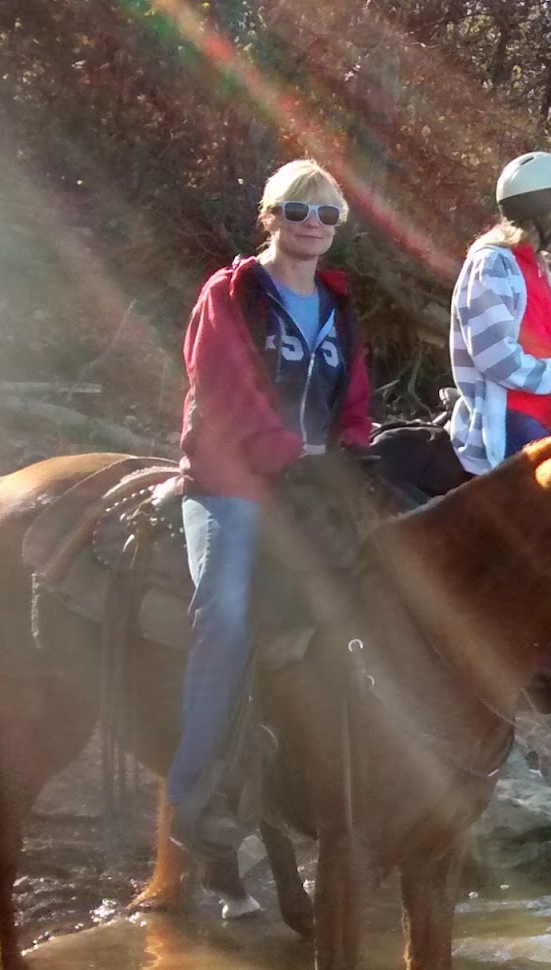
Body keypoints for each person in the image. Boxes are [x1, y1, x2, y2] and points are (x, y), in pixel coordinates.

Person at [169, 158, 373, 855]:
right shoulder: (230, 293)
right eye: (296, 211)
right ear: (270, 217)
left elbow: (354, 400)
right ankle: (193, 792)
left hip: (312, 481)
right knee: (224, 611)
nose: (312, 225)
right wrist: (290, 454)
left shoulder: (339, 305)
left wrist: (348, 449)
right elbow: (226, 392)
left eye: (326, 215)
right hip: (232, 480)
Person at [446, 150, 551, 685]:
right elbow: (498, 358)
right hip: (506, 426)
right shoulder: (492, 263)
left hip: (545, 422)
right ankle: (533, 650)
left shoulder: (536, 271)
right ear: (548, 209)